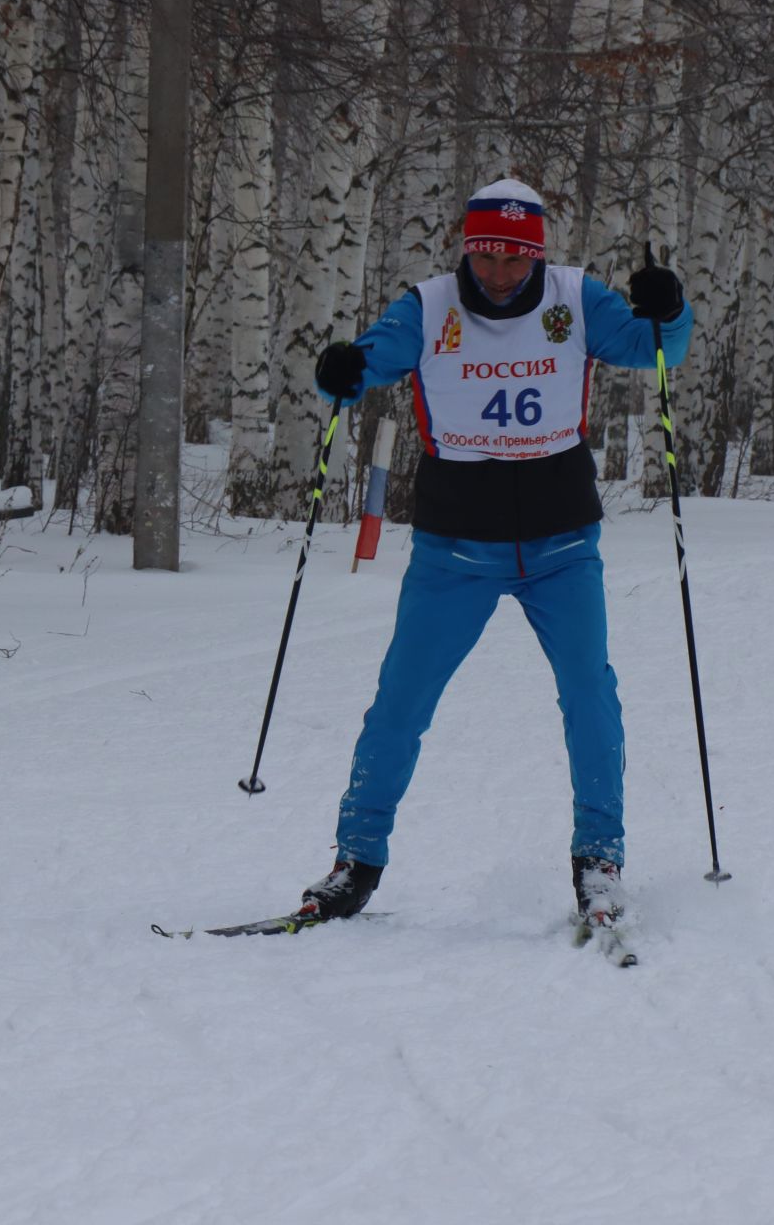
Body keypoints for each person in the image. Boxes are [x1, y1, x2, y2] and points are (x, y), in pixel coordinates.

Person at [296, 177, 693, 929]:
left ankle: (599, 861)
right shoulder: (429, 306)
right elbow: (370, 361)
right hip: (455, 549)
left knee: (589, 696)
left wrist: (670, 307)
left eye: (515, 258)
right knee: (400, 705)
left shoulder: (577, 300)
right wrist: (342, 370)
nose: (500, 273)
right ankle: (355, 862)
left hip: (562, 544)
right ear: (466, 247)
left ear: (536, 253)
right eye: (486, 255)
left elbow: (656, 351)